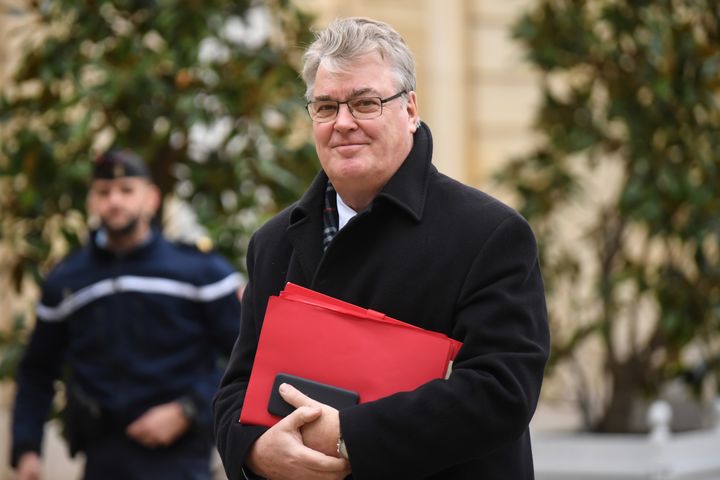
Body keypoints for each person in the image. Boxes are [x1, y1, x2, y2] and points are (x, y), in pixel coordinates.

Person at [213, 16, 549, 480]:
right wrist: (254, 451)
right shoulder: (273, 242)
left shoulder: (490, 233)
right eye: (326, 107)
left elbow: (502, 392)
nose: (343, 123)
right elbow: (236, 389)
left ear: (410, 110)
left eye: (366, 103)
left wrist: (349, 433)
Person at [10, 150, 242, 480]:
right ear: (92, 201)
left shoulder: (200, 272)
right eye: (104, 192)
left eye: (126, 190)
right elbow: (37, 370)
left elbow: (244, 356)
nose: (115, 201)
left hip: (180, 456)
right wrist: (27, 449)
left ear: (151, 198)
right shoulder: (68, 279)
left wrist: (188, 409)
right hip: (102, 454)